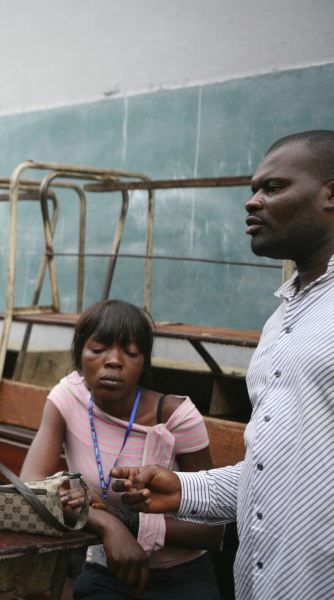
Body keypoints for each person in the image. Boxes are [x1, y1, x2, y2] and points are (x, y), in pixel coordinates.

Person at [112, 130, 334, 600]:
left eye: (273, 188)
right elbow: (278, 471)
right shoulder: (283, 319)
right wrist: (185, 491)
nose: (252, 203)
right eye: (253, 189)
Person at [20, 300, 223, 599]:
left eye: (130, 353)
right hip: (107, 570)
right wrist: (107, 524)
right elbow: (30, 489)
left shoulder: (177, 417)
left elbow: (212, 530)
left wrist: (126, 520)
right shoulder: (67, 399)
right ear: (79, 356)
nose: (114, 361)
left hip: (181, 577)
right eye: (98, 349)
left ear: (143, 364)